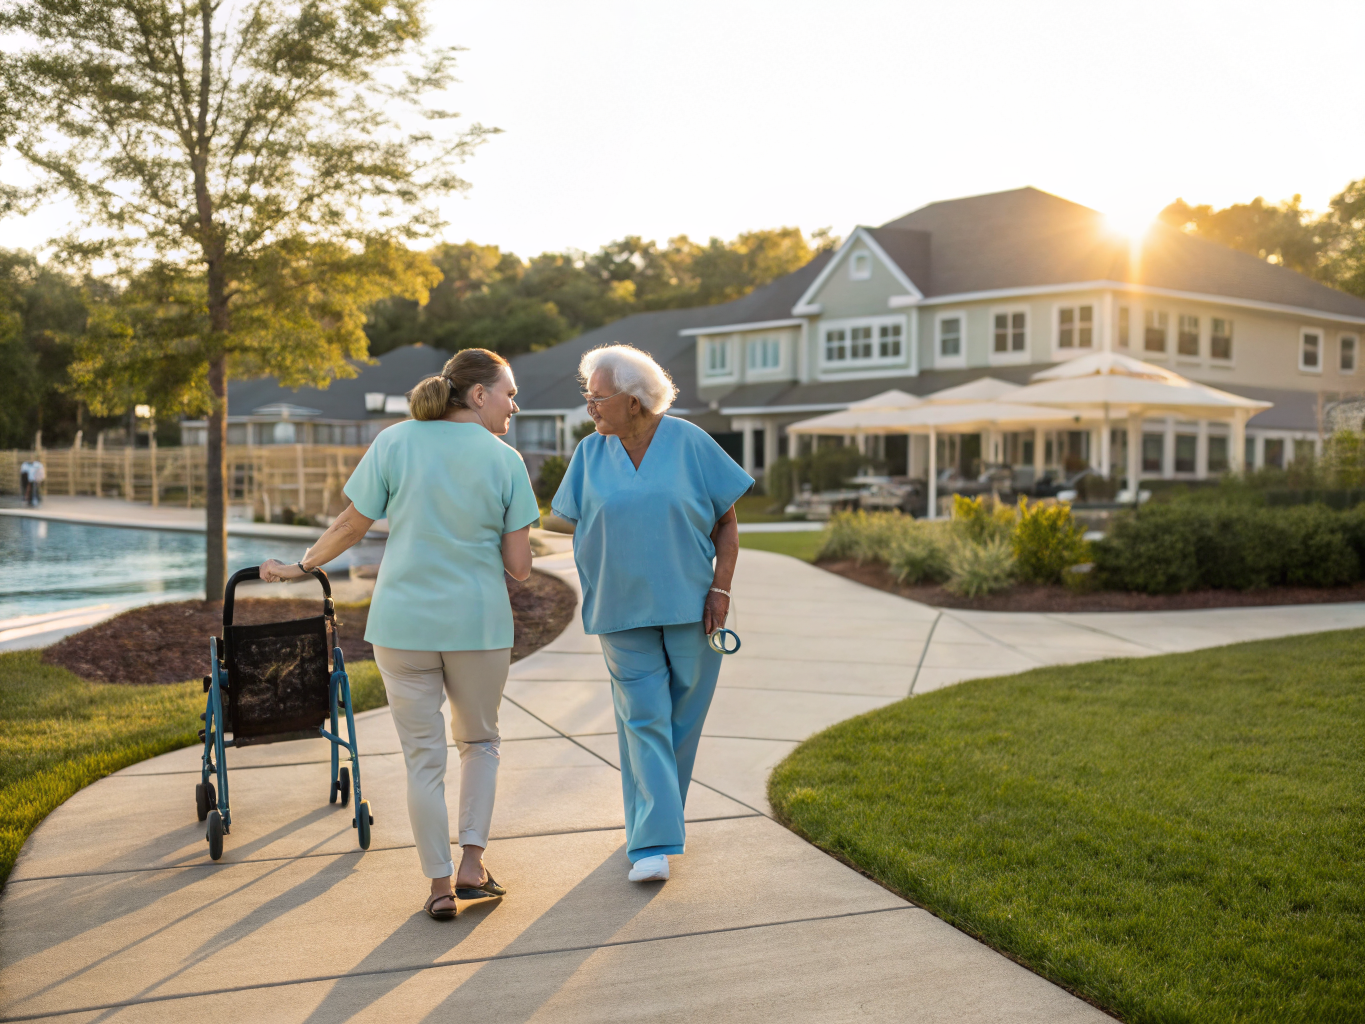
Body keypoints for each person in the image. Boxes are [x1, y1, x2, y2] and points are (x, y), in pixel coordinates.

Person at [260, 347, 539, 921]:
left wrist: (300, 567)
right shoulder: (506, 460)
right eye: (509, 393)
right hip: (477, 625)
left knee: (422, 760)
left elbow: (350, 525)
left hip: (401, 625)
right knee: (480, 743)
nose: (515, 405)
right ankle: (472, 866)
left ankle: (439, 886)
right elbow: (519, 567)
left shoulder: (393, 441)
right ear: (479, 395)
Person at [551, 344, 751, 883]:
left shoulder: (690, 443)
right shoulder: (589, 454)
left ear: (634, 400)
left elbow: (727, 524)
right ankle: (652, 845)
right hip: (618, 608)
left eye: (598, 397)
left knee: (679, 723)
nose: (590, 407)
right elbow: (566, 522)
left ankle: (653, 822)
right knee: (643, 720)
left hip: (693, 606)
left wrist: (721, 589)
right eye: (588, 396)